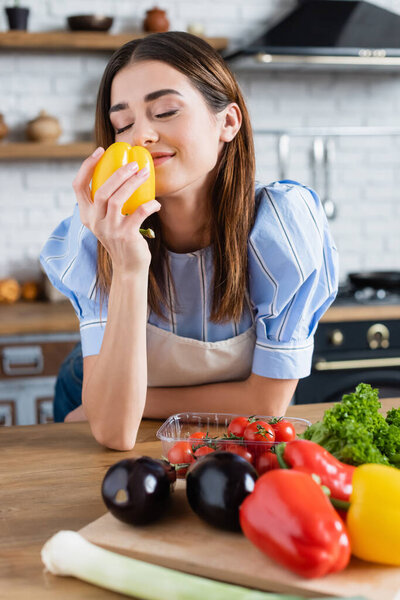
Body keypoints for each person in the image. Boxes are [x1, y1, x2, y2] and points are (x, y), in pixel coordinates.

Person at [40, 31, 338, 450]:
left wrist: (132, 403)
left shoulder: (282, 227)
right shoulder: (97, 230)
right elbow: (113, 431)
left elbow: (266, 403)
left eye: (164, 111)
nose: (139, 135)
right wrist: (128, 267)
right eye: (122, 123)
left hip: (167, 410)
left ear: (228, 122)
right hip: (92, 385)